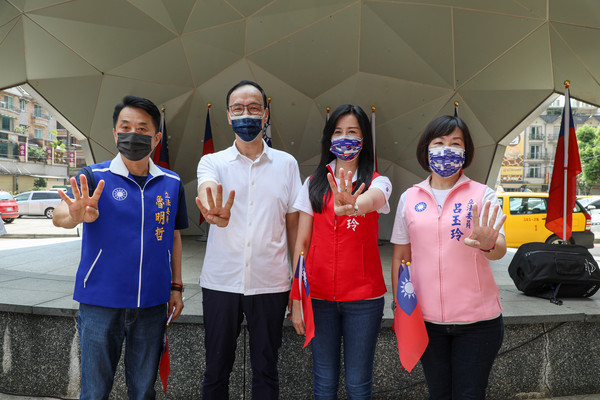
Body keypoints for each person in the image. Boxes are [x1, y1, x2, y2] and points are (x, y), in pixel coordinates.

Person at [53, 95, 188, 400]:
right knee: (95, 390)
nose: (133, 135)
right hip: (101, 300)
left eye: (142, 128)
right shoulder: (94, 177)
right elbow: (62, 214)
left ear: (156, 137)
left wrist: (176, 286)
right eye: (125, 127)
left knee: (143, 390)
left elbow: (174, 236)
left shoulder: (171, 182)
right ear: (115, 134)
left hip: (152, 303)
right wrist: (73, 214)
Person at [196, 80, 301, 399]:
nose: (246, 115)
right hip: (221, 282)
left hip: (271, 284)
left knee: (266, 370)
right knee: (216, 370)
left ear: (266, 114)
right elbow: (207, 189)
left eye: (254, 108)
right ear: (228, 116)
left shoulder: (287, 164)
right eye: (238, 109)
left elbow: (295, 229)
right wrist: (214, 210)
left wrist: (297, 287)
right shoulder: (212, 162)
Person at [390, 115, 507, 400]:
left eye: (456, 144)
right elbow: (401, 256)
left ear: (465, 153)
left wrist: (489, 244)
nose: (447, 149)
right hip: (427, 321)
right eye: (439, 142)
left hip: (478, 323)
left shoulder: (482, 194)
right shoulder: (409, 198)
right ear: (426, 150)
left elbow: (500, 247)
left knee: (469, 394)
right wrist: (399, 305)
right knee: (438, 394)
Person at [290, 104, 392, 399]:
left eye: (352, 132)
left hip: (364, 299)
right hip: (318, 297)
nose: (344, 138)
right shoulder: (313, 183)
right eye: (338, 132)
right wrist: (296, 298)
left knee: (359, 384)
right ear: (328, 139)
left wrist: (353, 205)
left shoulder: (377, 181)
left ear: (364, 139)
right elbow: (302, 243)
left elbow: (373, 200)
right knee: (323, 381)